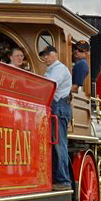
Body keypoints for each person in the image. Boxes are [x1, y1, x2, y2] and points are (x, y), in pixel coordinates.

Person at [39, 45, 72, 188]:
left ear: (55, 55)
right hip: (55, 107)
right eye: (44, 55)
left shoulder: (59, 69)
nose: (45, 58)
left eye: (47, 54)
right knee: (54, 143)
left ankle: (63, 180)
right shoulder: (50, 70)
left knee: (59, 144)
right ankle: (57, 177)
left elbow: (50, 85)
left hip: (59, 106)